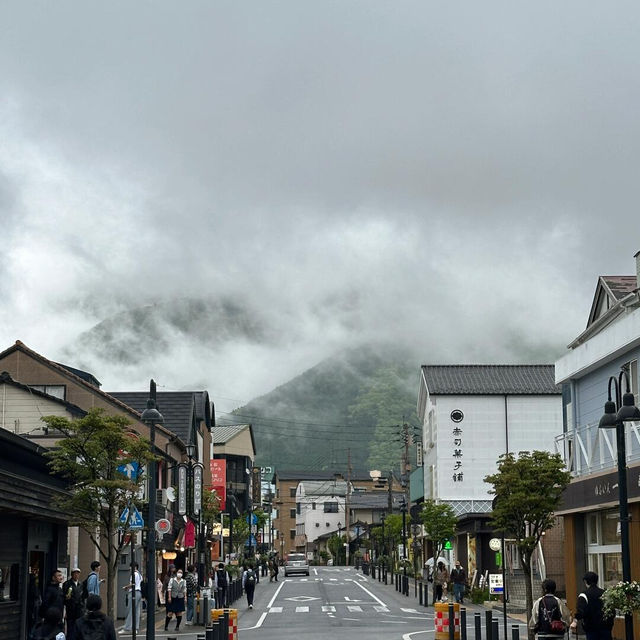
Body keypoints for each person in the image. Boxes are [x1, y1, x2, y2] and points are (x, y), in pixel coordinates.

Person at [572, 571, 615, 640]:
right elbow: (612, 610)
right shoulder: (605, 593)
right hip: (605, 627)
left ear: (585, 581)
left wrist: (575, 621)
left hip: (591, 628)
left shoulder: (584, 595)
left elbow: (580, 611)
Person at [120, 563, 143, 634]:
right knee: (136, 611)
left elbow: (133, 584)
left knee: (130, 610)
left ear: (134, 567)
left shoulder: (134, 574)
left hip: (134, 592)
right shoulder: (139, 575)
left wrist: (126, 587)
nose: (130, 569)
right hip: (139, 593)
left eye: (130, 567)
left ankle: (127, 628)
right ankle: (135, 628)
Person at [63, 568, 84, 640]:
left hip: (79, 610)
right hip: (70, 610)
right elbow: (64, 597)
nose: (76, 575)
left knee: (78, 628)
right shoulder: (67, 584)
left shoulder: (81, 584)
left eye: (78, 573)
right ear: (72, 574)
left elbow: (83, 596)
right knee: (70, 628)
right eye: (75, 573)